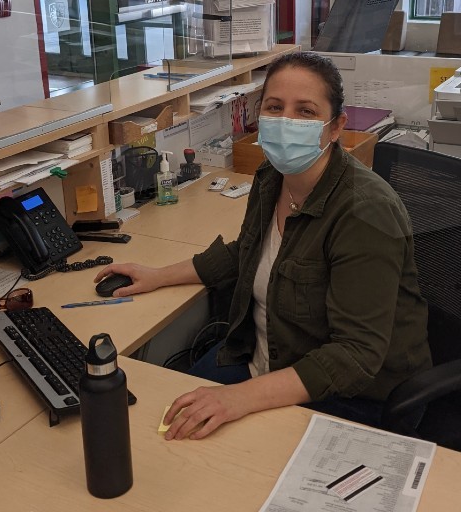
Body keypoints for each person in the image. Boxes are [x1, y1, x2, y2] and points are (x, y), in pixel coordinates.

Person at [94, 51, 431, 441]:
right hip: (268, 360)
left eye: (305, 111)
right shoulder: (274, 174)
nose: (286, 121)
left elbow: (355, 356)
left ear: (335, 127)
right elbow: (248, 252)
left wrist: (239, 398)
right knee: (163, 418)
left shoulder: (364, 212)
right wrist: (158, 276)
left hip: (353, 394)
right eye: (275, 107)